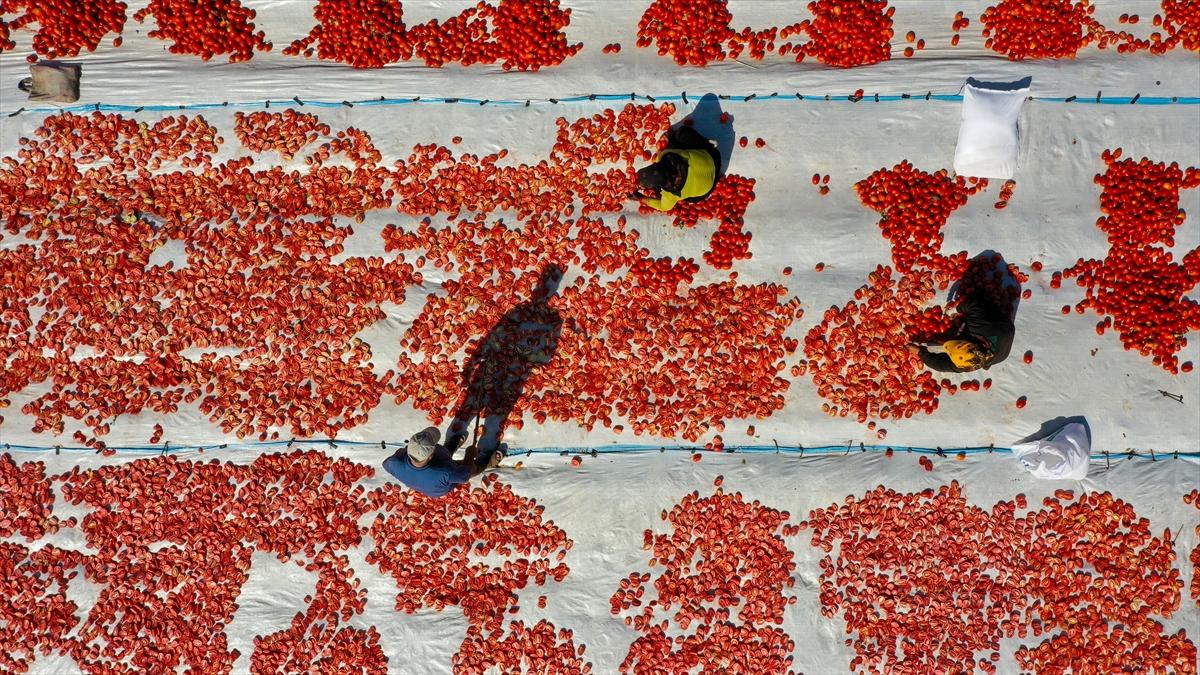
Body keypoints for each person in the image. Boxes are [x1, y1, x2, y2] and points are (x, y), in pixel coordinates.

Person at [445, 265, 564, 456]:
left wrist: (520, 356)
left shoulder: (541, 317)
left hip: (505, 369)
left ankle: (472, 452)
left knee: (486, 409)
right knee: (480, 407)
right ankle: (464, 450)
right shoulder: (543, 318)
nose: (541, 293)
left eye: (544, 288)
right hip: (502, 368)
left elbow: (497, 338)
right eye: (542, 288)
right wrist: (524, 356)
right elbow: (498, 337)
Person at [909, 293, 1015, 373]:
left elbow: (941, 364)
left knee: (982, 301)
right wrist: (957, 309)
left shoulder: (967, 362)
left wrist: (920, 353)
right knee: (979, 299)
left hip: (1001, 349)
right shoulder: (979, 328)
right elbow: (974, 304)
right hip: (1004, 329)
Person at [632, 125, 720, 212]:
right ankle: (707, 143)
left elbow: (663, 207)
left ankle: (715, 180)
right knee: (680, 135)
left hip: (709, 185)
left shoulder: (670, 194)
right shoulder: (667, 155)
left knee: (689, 199)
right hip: (714, 157)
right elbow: (662, 154)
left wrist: (642, 198)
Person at [382, 427, 489, 498]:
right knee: (471, 469)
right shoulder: (445, 472)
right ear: (432, 455)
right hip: (439, 489)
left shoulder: (395, 462)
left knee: (446, 452)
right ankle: (487, 460)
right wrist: (469, 455)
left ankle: (452, 445)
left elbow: (385, 464)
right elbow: (464, 476)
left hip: (426, 486)